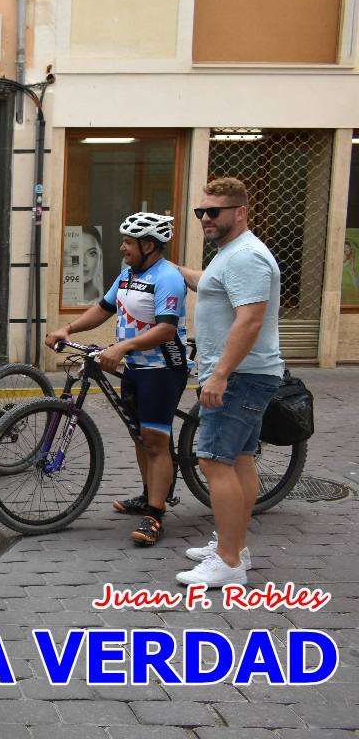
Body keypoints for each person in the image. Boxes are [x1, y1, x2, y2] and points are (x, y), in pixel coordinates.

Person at [46, 212, 188, 546]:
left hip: (162, 368)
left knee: (155, 439)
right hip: (135, 367)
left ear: (148, 245)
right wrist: (68, 328)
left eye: (128, 241)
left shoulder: (168, 277)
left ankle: (155, 515)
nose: (122, 247)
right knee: (140, 435)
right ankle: (148, 494)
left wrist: (122, 347)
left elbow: (166, 328)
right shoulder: (127, 274)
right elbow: (103, 308)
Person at [175, 177, 284, 588]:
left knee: (213, 461)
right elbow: (211, 284)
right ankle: (234, 545)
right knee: (238, 459)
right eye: (201, 211)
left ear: (240, 212)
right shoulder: (231, 254)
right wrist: (174, 269)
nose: (205, 218)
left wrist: (219, 374)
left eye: (214, 211)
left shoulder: (246, 257)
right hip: (244, 374)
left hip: (239, 376)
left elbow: (250, 318)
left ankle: (228, 561)